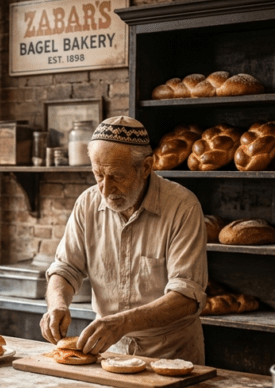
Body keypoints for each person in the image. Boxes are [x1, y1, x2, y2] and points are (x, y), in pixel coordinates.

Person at [40, 116, 208, 363]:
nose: (105, 190)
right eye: (98, 175)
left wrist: (124, 321)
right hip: (108, 353)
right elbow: (66, 269)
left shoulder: (183, 207)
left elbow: (187, 296)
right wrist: (57, 305)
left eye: (116, 176)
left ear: (146, 167)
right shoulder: (87, 203)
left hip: (170, 355)